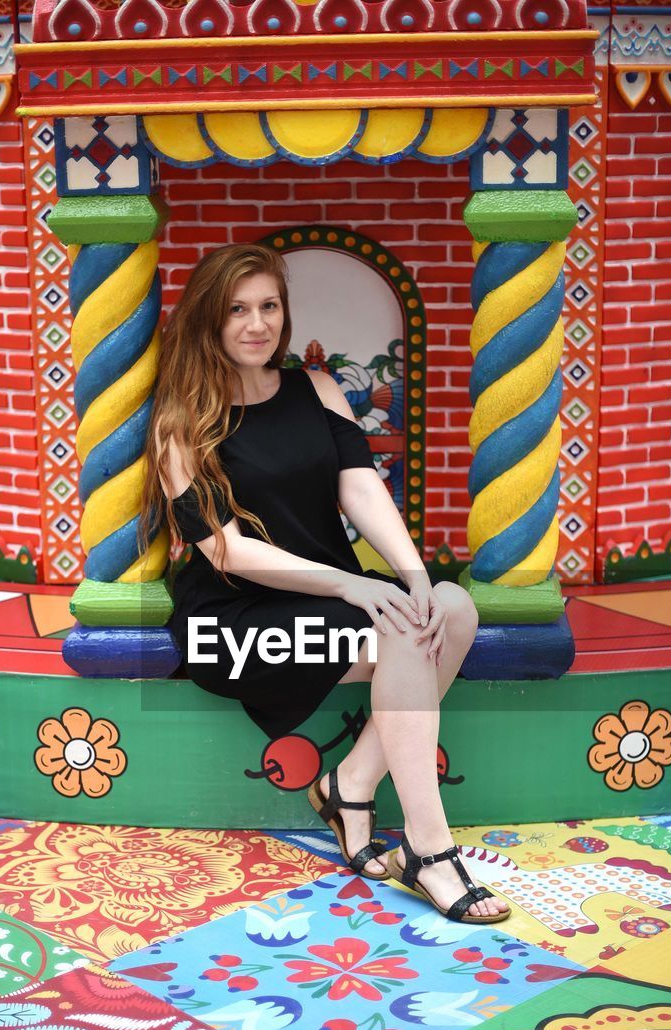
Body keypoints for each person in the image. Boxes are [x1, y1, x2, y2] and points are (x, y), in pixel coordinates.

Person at [140, 244, 509, 924]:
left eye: (269, 306)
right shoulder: (180, 421)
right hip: (235, 619)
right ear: (208, 322)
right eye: (237, 310)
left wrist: (412, 573)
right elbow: (223, 548)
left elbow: (360, 487)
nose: (257, 324)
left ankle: (352, 783)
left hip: (329, 601)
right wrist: (349, 587)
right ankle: (430, 851)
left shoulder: (317, 387)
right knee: (400, 629)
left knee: (450, 609)